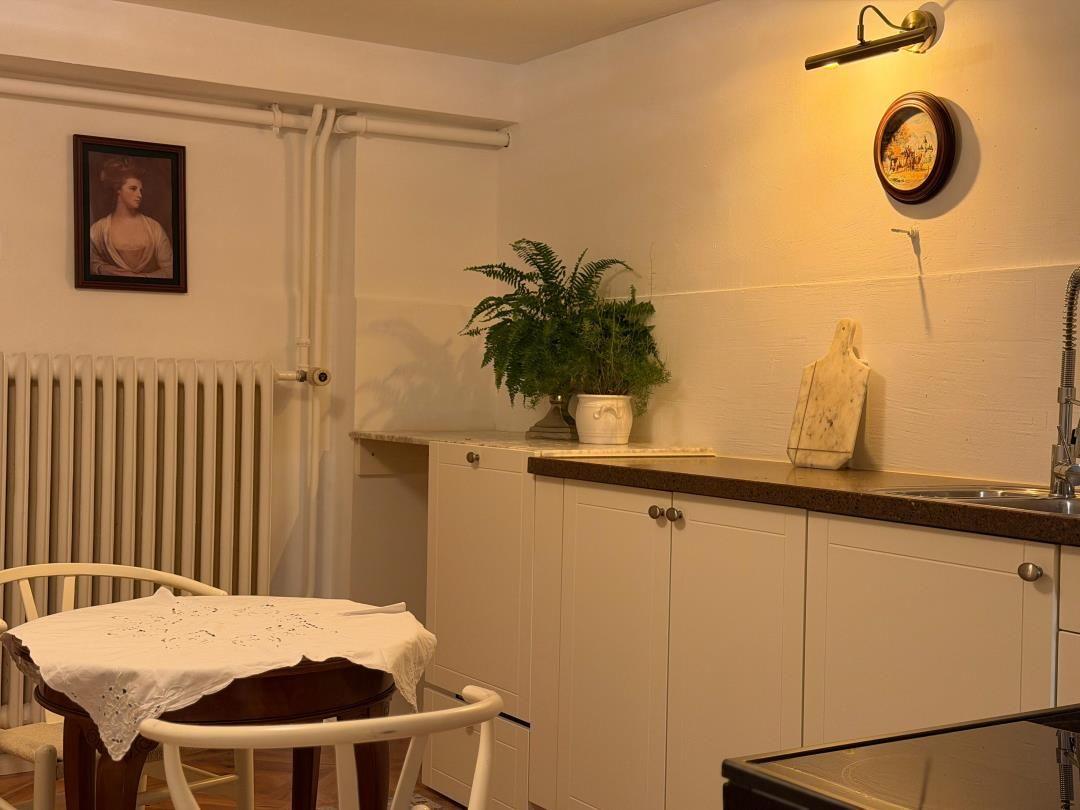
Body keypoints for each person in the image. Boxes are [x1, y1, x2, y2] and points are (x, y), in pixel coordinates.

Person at [89, 157, 173, 278]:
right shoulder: (98, 229)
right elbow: (89, 261)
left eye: (140, 190)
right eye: (133, 189)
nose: (139, 195)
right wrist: (103, 269)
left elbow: (170, 270)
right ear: (118, 190)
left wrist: (141, 278)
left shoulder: (154, 228)